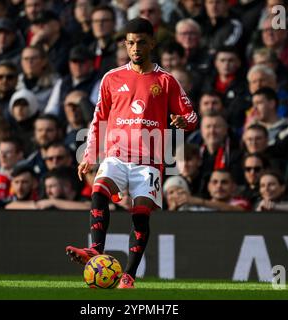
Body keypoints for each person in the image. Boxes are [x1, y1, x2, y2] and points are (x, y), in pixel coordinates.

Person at [65, 18, 198, 289]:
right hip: (116, 154)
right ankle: (95, 250)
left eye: (141, 42)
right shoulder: (111, 78)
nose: (135, 48)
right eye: (130, 43)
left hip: (149, 161)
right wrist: (89, 154)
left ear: (152, 43)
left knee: (140, 214)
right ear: (125, 44)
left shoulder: (166, 81)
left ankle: (129, 275)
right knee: (99, 189)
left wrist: (184, 122)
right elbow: (98, 118)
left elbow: (192, 115)